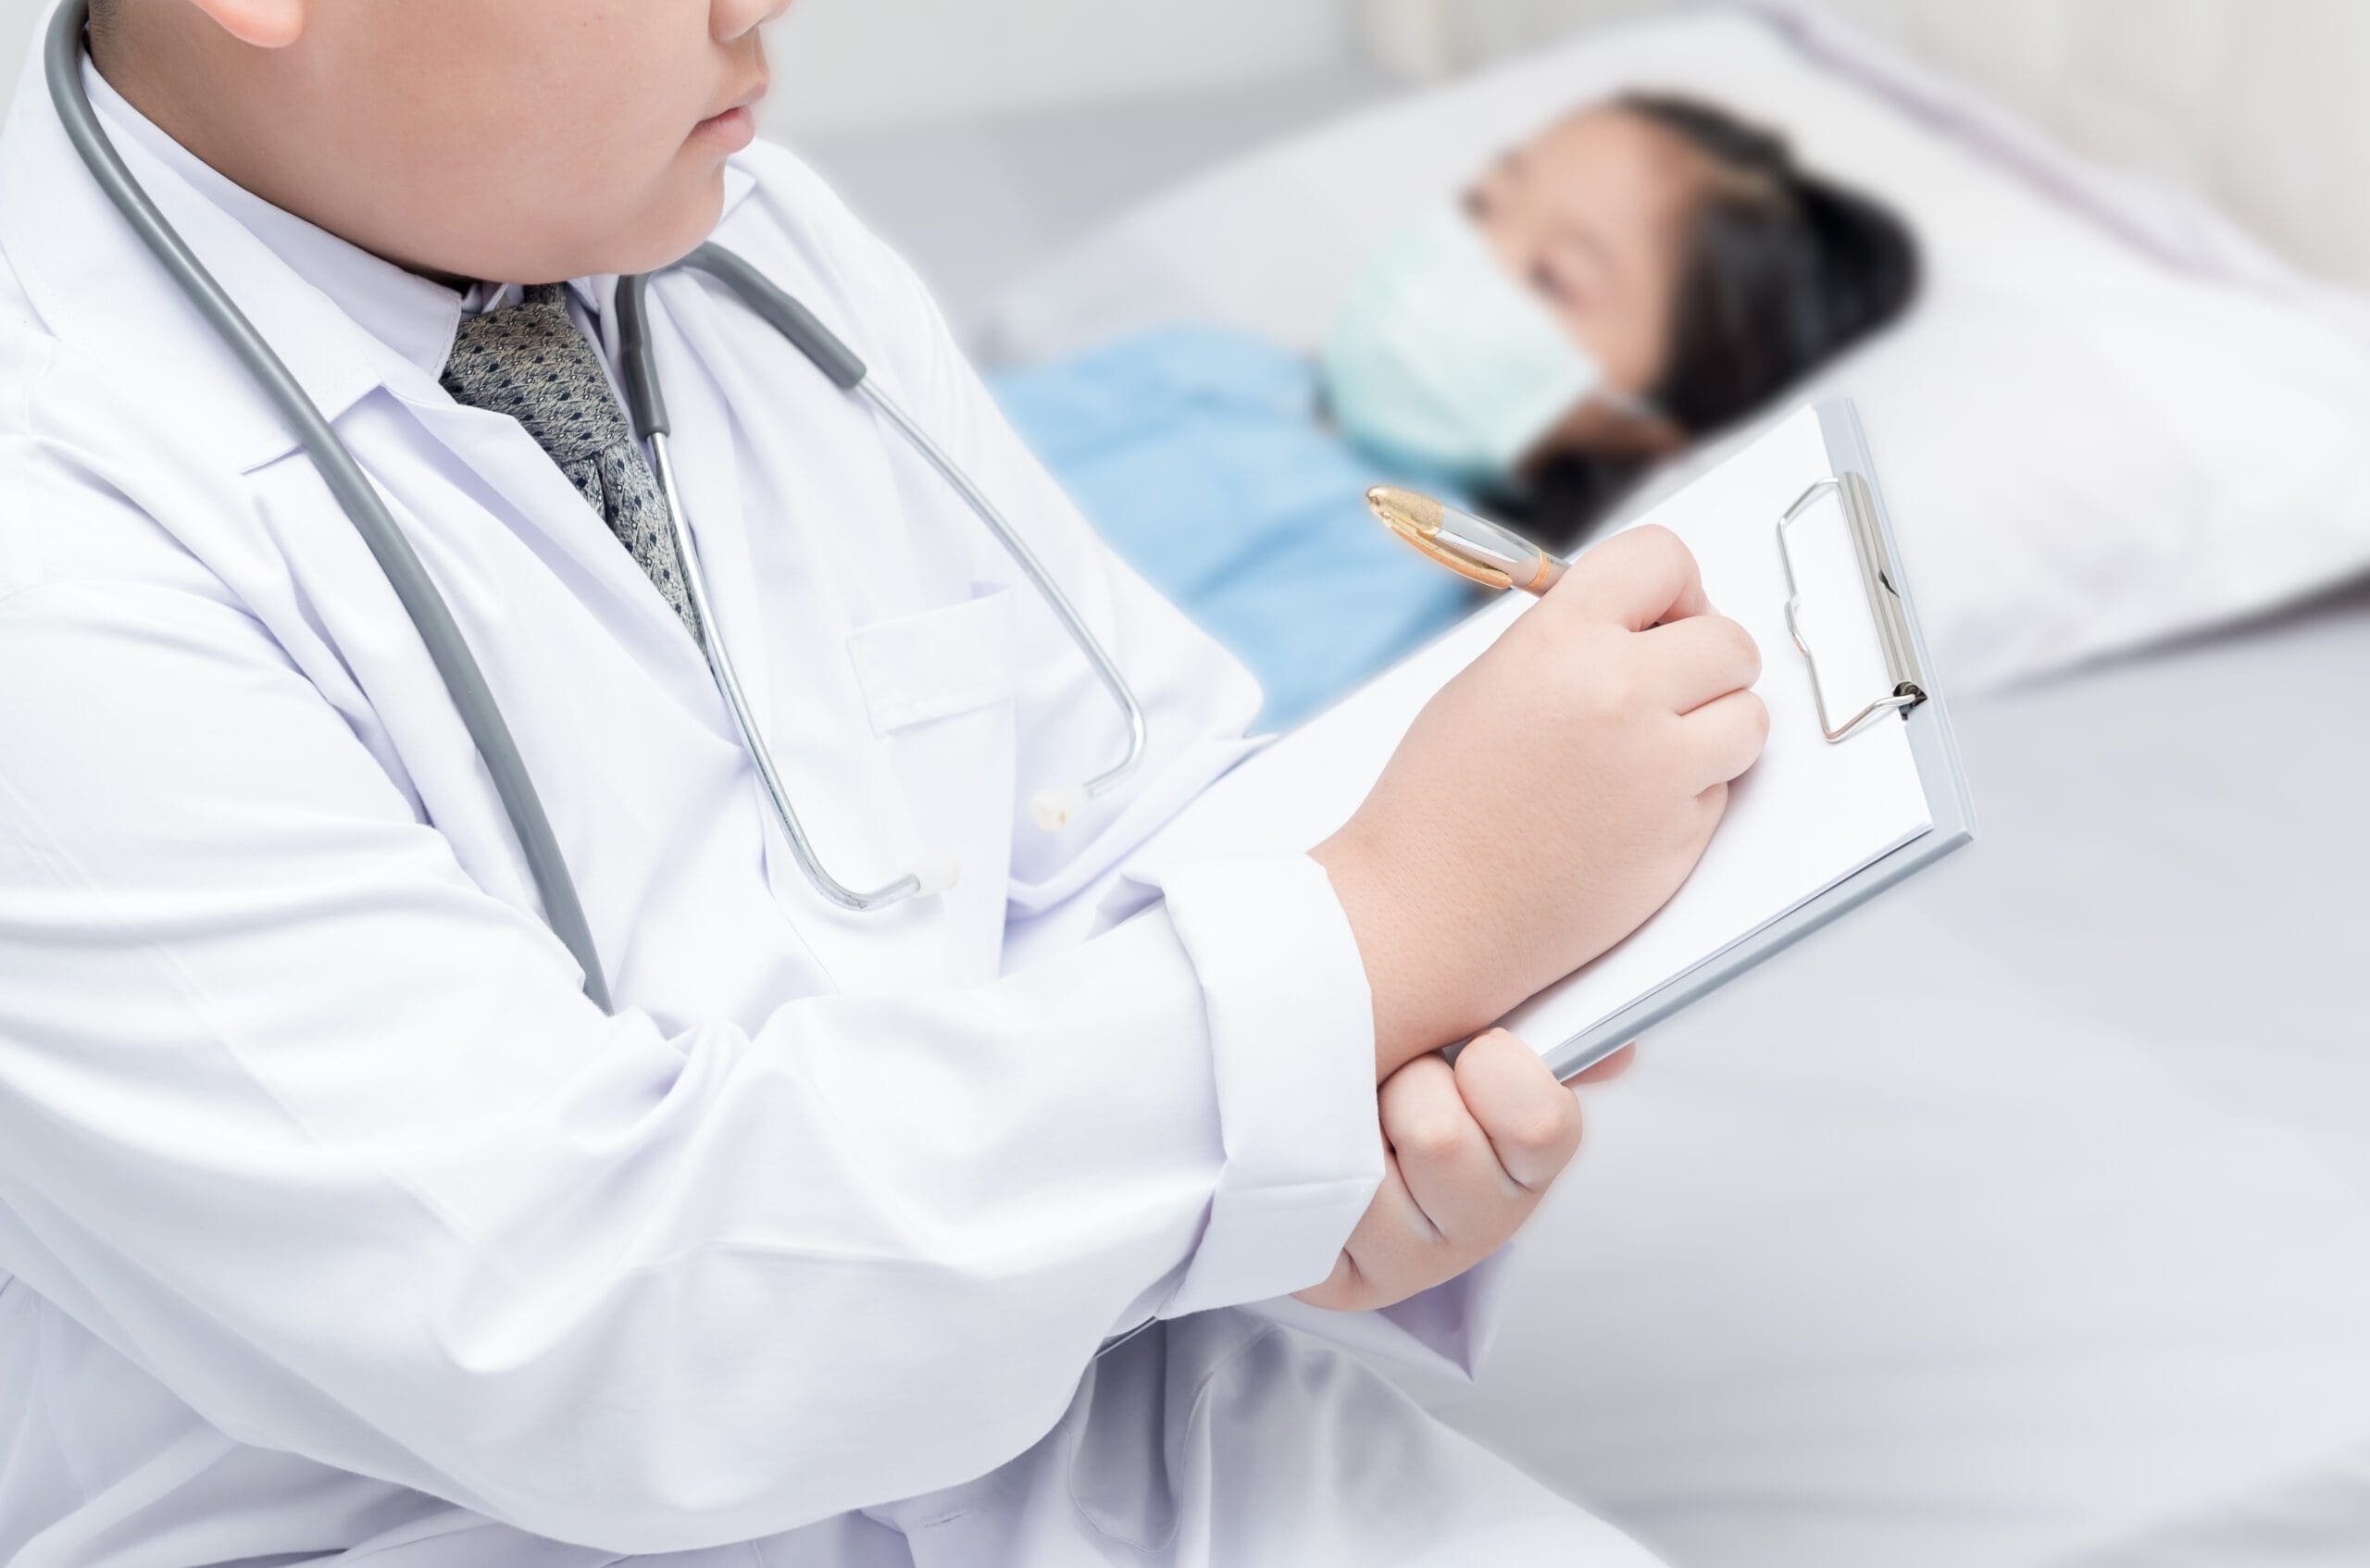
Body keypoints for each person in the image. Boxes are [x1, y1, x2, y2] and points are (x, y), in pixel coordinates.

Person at [0, 4, 1769, 1567]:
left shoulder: (738, 231)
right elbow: (594, 1335)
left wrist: (1342, 1140)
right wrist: (1389, 926)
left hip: (1091, 1438)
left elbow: (1113, 816)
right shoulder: (55, 526)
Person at [992, 93, 1917, 726]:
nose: (1463, 264)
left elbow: (1146, 746)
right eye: (1483, 208)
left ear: (1636, 421)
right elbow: (939, 437)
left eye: (1552, 277)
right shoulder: (1204, 364)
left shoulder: (1408, 582)